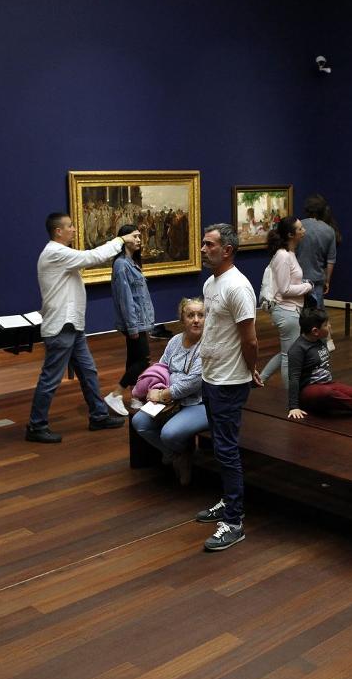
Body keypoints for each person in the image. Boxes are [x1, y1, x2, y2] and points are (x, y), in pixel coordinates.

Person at [25, 213, 139, 443]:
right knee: (51, 378)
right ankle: (36, 426)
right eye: (70, 226)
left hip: (71, 326)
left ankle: (98, 415)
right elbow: (92, 257)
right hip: (62, 326)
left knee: (88, 372)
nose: (74, 229)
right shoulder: (55, 252)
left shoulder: (59, 253)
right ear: (58, 231)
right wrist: (120, 240)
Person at [194, 223, 262, 552]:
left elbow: (250, 340)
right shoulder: (211, 283)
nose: (203, 249)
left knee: (226, 449)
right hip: (211, 377)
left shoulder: (238, 287)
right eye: (204, 243)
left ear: (227, 250)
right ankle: (228, 501)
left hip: (229, 381)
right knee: (220, 447)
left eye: (209, 244)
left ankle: (234, 522)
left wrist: (250, 369)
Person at [131, 297, 208, 485]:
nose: (196, 320)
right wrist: (155, 388)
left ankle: (178, 452)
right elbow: (163, 367)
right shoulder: (174, 341)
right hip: (171, 400)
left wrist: (161, 394)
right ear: (182, 319)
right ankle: (178, 455)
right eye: (190, 315)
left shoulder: (208, 345)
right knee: (139, 422)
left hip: (199, 403)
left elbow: (192, 383)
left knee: (169, 434)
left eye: (200, 315)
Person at [286, 306, 352, 420]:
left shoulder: (319, 341)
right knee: (327, 393)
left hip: (327, 384)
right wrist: (293, 407)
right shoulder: (297, 349)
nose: (329, 326)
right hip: (309, 391)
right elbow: (294, 378)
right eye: (326, 325)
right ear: (315, 331)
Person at [106, 223, 155, 417]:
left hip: (139, 320)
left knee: (133, 358)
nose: (139, 240)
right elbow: (125, 299)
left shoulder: (131, 262)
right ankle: (116, 393)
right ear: (124, 239)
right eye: (135, 236)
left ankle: (134, 396)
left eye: (139, 236)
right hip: (134, 322)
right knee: (144, 360)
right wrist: (132, 326)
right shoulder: (121, 265)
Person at [260, 216, 314, 387]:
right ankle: (291, 397)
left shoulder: (289, 253)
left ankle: (260, 379)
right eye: (300, 229)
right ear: (291, 235)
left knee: (287, 352)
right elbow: (284, 289)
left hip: (291, 310)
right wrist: (307, 286)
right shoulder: (283, 256)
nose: (304, 231)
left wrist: (303, 284)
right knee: (289, 357)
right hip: (286, 311)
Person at [296, 194, 338, 307]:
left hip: (297, 278)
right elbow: (331, 260)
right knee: (316, 314)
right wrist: (327, 281)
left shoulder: (298, 227)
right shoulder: (329, 230)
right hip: (317, 279)